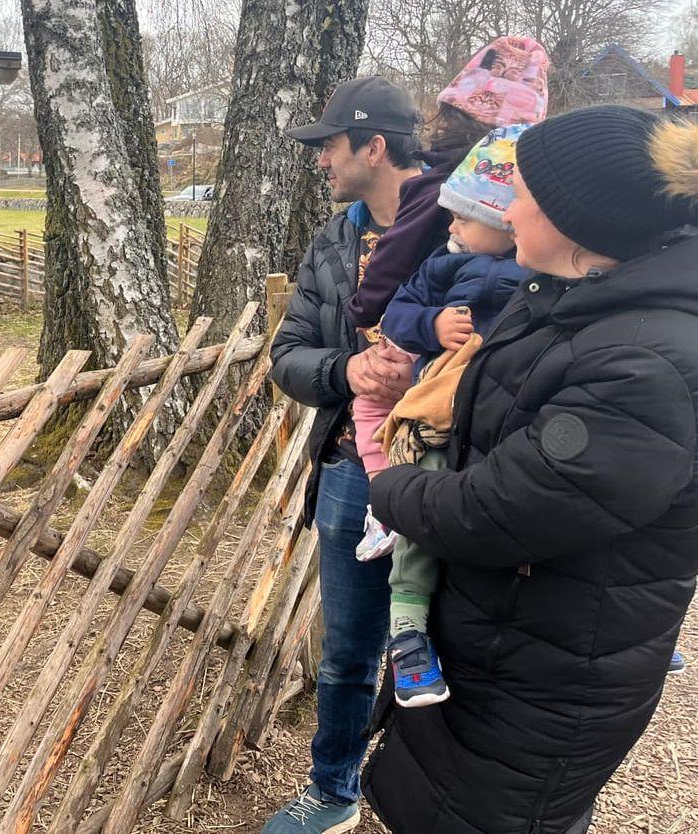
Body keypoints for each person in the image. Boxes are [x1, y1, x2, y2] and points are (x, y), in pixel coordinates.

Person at [363, 105, 698, 834]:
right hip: (504, 640)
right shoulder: (571, 299)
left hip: (543, 673)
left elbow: (504, 509)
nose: (507, 210)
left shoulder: (639, 362)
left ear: (577, 223)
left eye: (524, 196)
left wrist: (390, 487)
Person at [262, 75, 422, 834]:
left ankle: (425, 795)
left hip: (447, 475)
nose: (320, 162)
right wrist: (346, 371)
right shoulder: (331, 240)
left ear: (373, 145)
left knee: (441, 642)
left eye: (328, 145)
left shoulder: (469, 226)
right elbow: (286, 352)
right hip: (350, 471)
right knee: (348, 649)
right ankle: (333, 791)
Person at [353, 36, 551, 560]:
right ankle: (390, 507)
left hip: (449, 374)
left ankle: (385, 503)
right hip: (480, 381)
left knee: (396, 426)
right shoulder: (538, 218)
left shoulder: (439, 189)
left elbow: (389, 271)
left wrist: (365, 312)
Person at [361, 124, 535, 708]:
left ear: (508, 220)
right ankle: (407, 633)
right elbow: (397, 310)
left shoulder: (542, 274)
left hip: (507, 409)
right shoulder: (445, 264)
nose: (451, 228)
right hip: (441, 405)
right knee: (425, 503)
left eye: (463, 217)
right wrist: (432, 326)